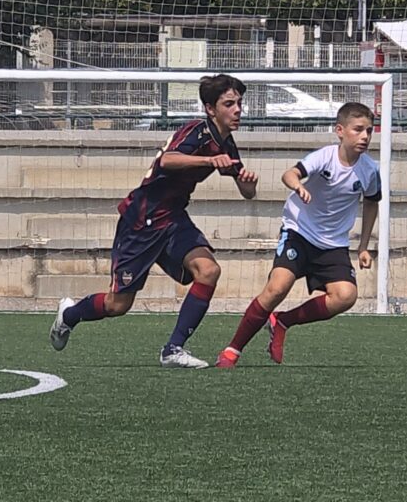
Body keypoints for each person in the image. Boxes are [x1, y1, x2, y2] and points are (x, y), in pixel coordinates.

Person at [49, 74, 259, 368]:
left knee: (208, 270)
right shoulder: (197, 131)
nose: (237, 110)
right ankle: (69, 315)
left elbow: (247, 192)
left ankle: (173, 349)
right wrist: (208, 161)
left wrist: (248, 182)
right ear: (210, 109)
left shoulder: (226, 143)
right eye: (229, 104)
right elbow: (167, 160)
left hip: (173, 219)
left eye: (239, 103)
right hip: (142, 221)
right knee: (118, 305)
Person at [215, 102, 380, 368]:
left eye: (369, 131)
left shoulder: (370, 170)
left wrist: (363, 246)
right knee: (277, 288)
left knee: (345, 296)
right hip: (299, 232)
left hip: (333, 244)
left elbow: (372, 202)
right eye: (358, 129)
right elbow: (289, 174)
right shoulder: (324, 157)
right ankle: (232, 350)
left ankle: (283, 321)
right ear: (340, 130)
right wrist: (298, 187)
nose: (364, 136)